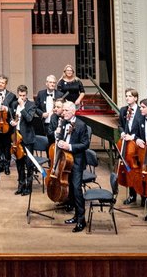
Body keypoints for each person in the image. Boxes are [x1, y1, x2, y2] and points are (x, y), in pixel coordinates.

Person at [55, 99, 92, 232]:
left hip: (76, 161)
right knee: (70, 188)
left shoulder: (81, 125)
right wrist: (59, 141)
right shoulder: (64, 122)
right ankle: (76, 216)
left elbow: (85, 144)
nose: (63, 112)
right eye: (63, 110)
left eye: (66, 110)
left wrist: (69, 146)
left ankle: (82, 220)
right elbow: (60, 137)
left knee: (76, 189)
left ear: (73, 112)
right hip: (65, 161)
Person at [11, 84, 41, 195]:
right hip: (17, 137)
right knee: (19, 163)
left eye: (23, 95)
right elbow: (10, 116)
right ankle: (21, 185)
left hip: (27, 138)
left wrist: (22, 106)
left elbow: (29, 119)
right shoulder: (14, 104)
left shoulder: (31, 105)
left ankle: (28, 187)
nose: (22, 97)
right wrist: (11, 122)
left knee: (29, 164)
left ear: (26, 95)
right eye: (20, 95)